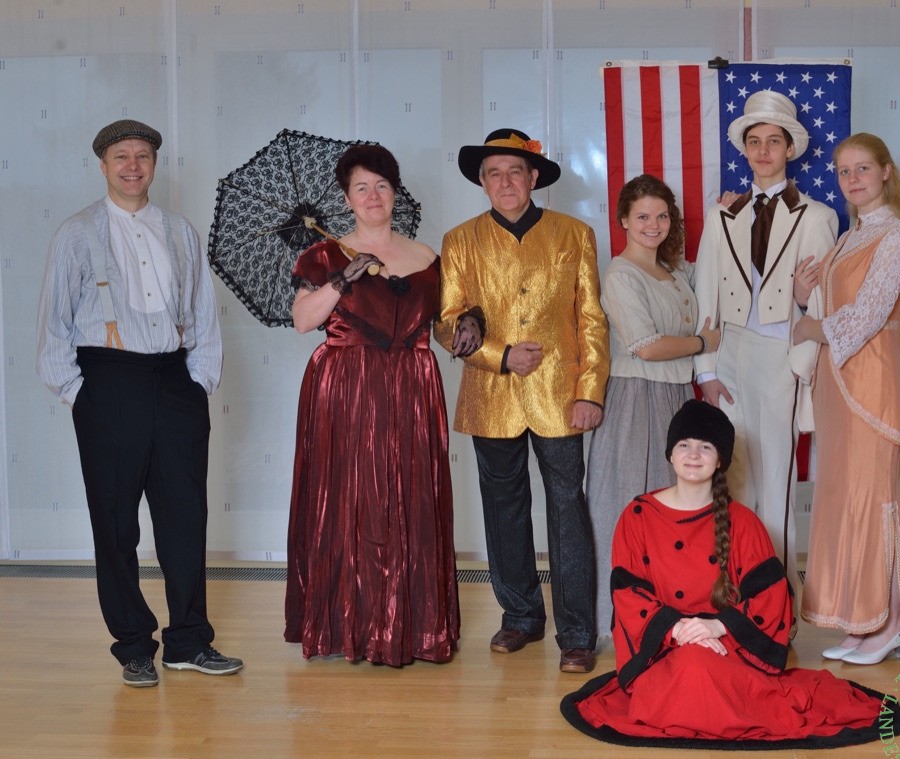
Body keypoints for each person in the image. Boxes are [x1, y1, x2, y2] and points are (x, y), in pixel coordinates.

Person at [560, 400, 900, 747]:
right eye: (684, 445)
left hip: (727, 644)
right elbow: (627, 595)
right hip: (661, 646)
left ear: (720, 459)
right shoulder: (637, 516)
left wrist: (717, 626)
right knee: (689, 669)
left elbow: (772, 596)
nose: (693, 455)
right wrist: (678, 629)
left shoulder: (743, 522)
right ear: (670, 455)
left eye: (705, 447)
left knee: (701, 669)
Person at [36, 119, 242, 687]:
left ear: (154, 164)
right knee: (115, 521)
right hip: (107, 383)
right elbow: (53, 323)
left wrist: (198, 383)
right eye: (121, 156)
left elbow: (202, 313)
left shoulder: (180, 231)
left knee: (185, 517)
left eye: (143, 156)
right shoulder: (76, 233)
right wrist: (80, 394)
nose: (133, 166)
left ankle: (188, 642)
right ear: (103, 165)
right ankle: (133, 645)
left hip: (174, 382)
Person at [284, 144, 476, 666]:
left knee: (410, 496)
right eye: (362, 188)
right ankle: (348, 626)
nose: (373, 196)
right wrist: (344, 276)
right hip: (346, 389)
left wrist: (468, 324)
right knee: (348, 499)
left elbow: (440, 325)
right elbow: (303, 320)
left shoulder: (428, 258)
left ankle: (412, 629)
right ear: (347, 198)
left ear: (395, 193)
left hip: (412, 389)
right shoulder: (325, 255)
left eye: (382, 186)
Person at [436, 128, 610, 674]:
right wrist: (500, 355)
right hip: (491, 395)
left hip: (560, 396)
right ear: (482, 182)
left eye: (515, 171)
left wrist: (589, 391)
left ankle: (577, 632)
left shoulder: (574, 234)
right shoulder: (460, 241)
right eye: (494, 173)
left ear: (534, 178)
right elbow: (446, 323)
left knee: (567, 510)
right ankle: (520, 616)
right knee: (503, 508)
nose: (505, 182)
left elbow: (591, 319)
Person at [795, 133, 900, 665]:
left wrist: (811, 326)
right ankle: (862, 619)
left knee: (876, 501)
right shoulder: (851, 236)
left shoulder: (898, 236)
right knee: (844, 499)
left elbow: (868, 314)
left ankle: (890, 623)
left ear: (886, 171)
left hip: (871, 383)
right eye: (844, 171)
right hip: (837, 380)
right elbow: (832, 305)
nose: (852, 179)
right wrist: (805, 298)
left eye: (863, 169)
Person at [693, 90, 838, 592]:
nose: (762, 151)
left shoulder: (816, 217)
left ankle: (779, 601)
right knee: (733, 479)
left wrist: (800, 367)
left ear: (790, 149)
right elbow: (706, 293)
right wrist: (707, 371)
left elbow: (822, 305)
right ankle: (733, 593)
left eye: (773, 141)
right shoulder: (723, 216)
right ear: (744, 149)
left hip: (780, 358)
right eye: (754, 141)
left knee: (776, 485)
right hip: (731, 355)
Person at [586, 174, 721, 640]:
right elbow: (645, 346)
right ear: (623, 220)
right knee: (627, 504)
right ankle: (621, 619)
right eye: (642, 216)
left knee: (675, 511)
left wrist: (724, 216)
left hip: (676, 398)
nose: (653, 224)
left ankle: (672, 617)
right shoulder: (621, 274)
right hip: (635, 400)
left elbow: (718, 270)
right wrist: (702, 343)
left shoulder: (675, 271)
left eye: (662, 216)